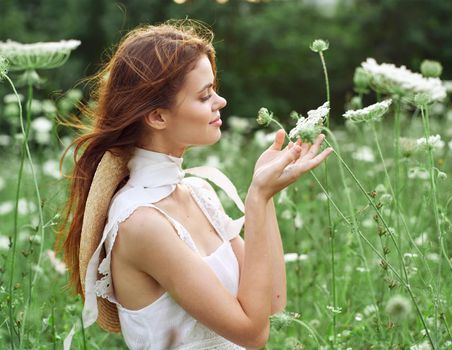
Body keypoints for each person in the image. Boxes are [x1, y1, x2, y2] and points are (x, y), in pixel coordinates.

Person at [55, 20, 332, 349]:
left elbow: (272, 301)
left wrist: (267, 196)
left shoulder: (198, 193)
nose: (221, 102)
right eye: (204, 96)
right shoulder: (141, 223)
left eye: (213, 90)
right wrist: (256, 198)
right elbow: (252, 334)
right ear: (158, 117)